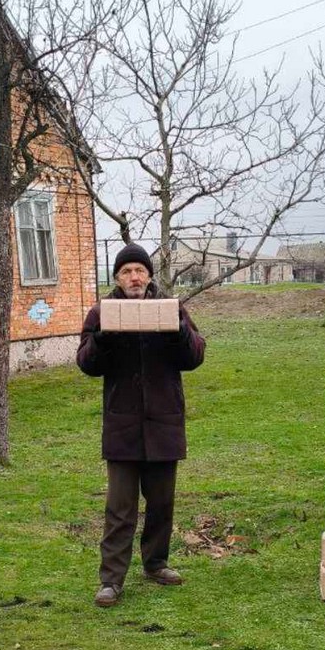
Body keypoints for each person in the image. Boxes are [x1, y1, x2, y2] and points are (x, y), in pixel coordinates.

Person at [76, 243, 206, 607]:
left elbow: (195, 356)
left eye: (140, 271)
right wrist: (104, 337)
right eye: (126, 272)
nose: (134, 277)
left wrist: (178, 328)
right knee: (120, 508)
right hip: (122, 426)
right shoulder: (101, 312)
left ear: (149, 275)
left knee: (162, 503)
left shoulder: (172, 309)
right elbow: (86, 363)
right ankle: (111, 580)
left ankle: (156, 563)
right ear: (117, 278)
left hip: (164, 423)